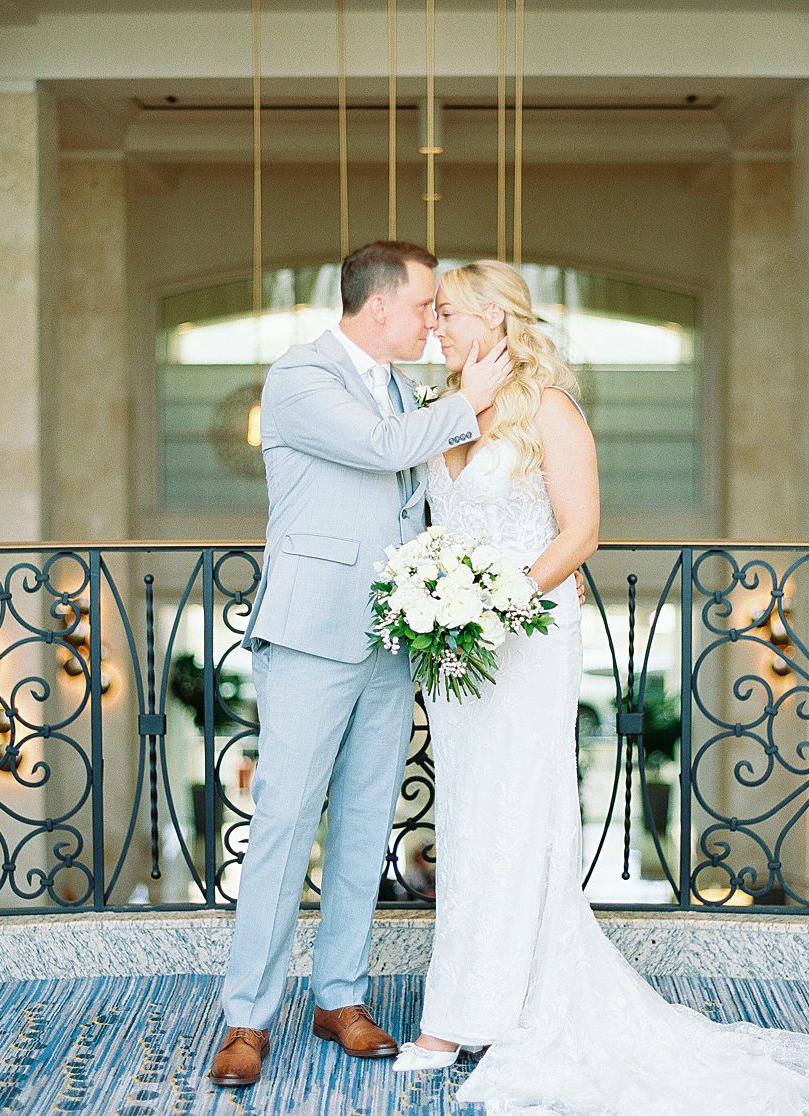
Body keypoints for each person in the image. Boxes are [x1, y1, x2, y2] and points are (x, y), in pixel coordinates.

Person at [392, 259, 809, 1116]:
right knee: (469, 815)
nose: (433, 325)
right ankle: (486, 995)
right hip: (459, 651)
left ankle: (465, 1016)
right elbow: (439, 523)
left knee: (518, 814)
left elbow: (582, 532)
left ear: (495, 321)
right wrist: (435, 601)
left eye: (446, 312)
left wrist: (504, 601)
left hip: (526, 634)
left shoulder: (549, 410)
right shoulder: (444, 412)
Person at [208, 241, 512, 1088]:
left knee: (364, 825)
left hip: (389, 637)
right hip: (311, 633)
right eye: (423, 306)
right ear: (377, 306)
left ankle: (339, 996)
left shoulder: (405, 387)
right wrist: (471, 399)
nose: (430, 319)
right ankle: (245, 1019)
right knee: (282, 826)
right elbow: (382, 451)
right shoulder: (300, 378)